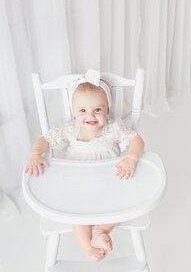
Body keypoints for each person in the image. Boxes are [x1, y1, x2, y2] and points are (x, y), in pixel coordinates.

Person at [25, 69, 144, 263]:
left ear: (107, 110)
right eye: (82, 111)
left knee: (122, 206)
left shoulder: (114, 128)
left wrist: (131, 158)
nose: (90, 115)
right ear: (74, 112)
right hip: (78, 188)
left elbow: (136, 140)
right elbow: (44, 140)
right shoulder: (70, 129)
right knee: (76, 216)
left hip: (109, 184)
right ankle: (87, 247)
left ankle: (101, 231)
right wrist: (35, 154)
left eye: (97, 109)